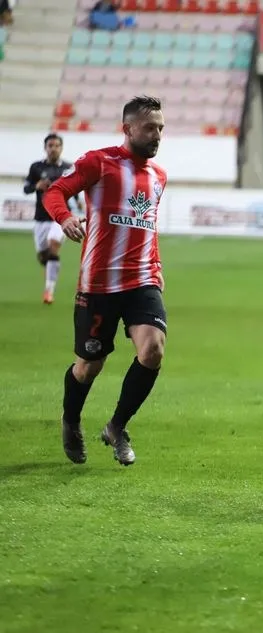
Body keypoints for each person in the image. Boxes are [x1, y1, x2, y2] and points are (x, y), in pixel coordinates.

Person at [44, 96, 168, 466]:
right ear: (128, 128)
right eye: (150, 127)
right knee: (88, 366)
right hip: (99, 284)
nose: (157, 134)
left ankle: (117, 427)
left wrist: (155, 266)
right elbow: (55, 191)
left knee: (153, 351)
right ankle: (70, 420)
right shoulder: (99, 162)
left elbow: (147, 229)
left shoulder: (158, 176)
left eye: (161, 128)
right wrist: (65, 218)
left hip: (143, 280)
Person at [24, 133, 85, 305]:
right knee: (44, 255)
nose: (53, 149)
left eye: (56, 145)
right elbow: (26, 188)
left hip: (60, 218)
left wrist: (78, 202)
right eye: (50, 146)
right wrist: (36, 186)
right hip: (41, 218)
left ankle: (48, 292)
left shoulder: (68, 168)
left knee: (53, 248)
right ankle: (51, 266)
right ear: (45, 148)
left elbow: (75, 188)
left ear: (61, 147)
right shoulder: (36, 167)